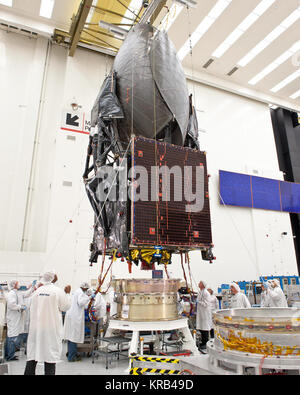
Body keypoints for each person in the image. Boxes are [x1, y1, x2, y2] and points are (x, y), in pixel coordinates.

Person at [24, 271, 71, 375]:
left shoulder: (37, 291)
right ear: (53, 278)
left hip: (36, 329)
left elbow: (30, 307)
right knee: (50, 358)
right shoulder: (57, 291)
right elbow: (66, 307)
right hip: (51, 329)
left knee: (33, 356)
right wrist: (67, 293)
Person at [63, 282, 91, 362]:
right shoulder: (80, 292)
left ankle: (71, 353)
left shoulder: (77, 292)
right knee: (73, 337)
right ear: (85, 288)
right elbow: (81, 302)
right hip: (75, 317)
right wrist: (89, 297)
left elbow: (82, 304)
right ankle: (72, 357)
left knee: (70, 336)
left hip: (71, 316)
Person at [5, 280, 26, 361]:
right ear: (14, 285)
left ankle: (10, 354)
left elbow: (26, 294)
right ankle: (9, 356)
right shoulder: (11, 294)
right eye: (17, 283)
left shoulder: (15, 293)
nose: (19, 285)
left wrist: (32, 288)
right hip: (12, 318)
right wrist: (20, 307)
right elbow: (11, 305)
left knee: (12, 336)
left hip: (15, 318)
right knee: (11, 336)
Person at [196, 281, 211, 351]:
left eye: (200, 283)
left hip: (205, 313)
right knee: (201, 328)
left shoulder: (206, 293)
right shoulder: (200, 292)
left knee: (205, 328)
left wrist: (198, 302)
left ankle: (206, 343)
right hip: (201, 313)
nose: (198, 284)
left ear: (202, 285)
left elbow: (206, 303)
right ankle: (203, 342)